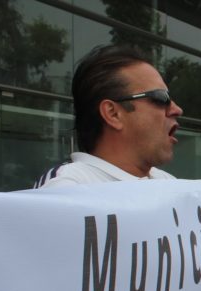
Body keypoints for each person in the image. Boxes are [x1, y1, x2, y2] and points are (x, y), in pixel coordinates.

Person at [34, 45, 183, 188]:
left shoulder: (169, 183)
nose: (176, 110)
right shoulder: (67, 186)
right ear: (112, 114)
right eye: (161, 98)